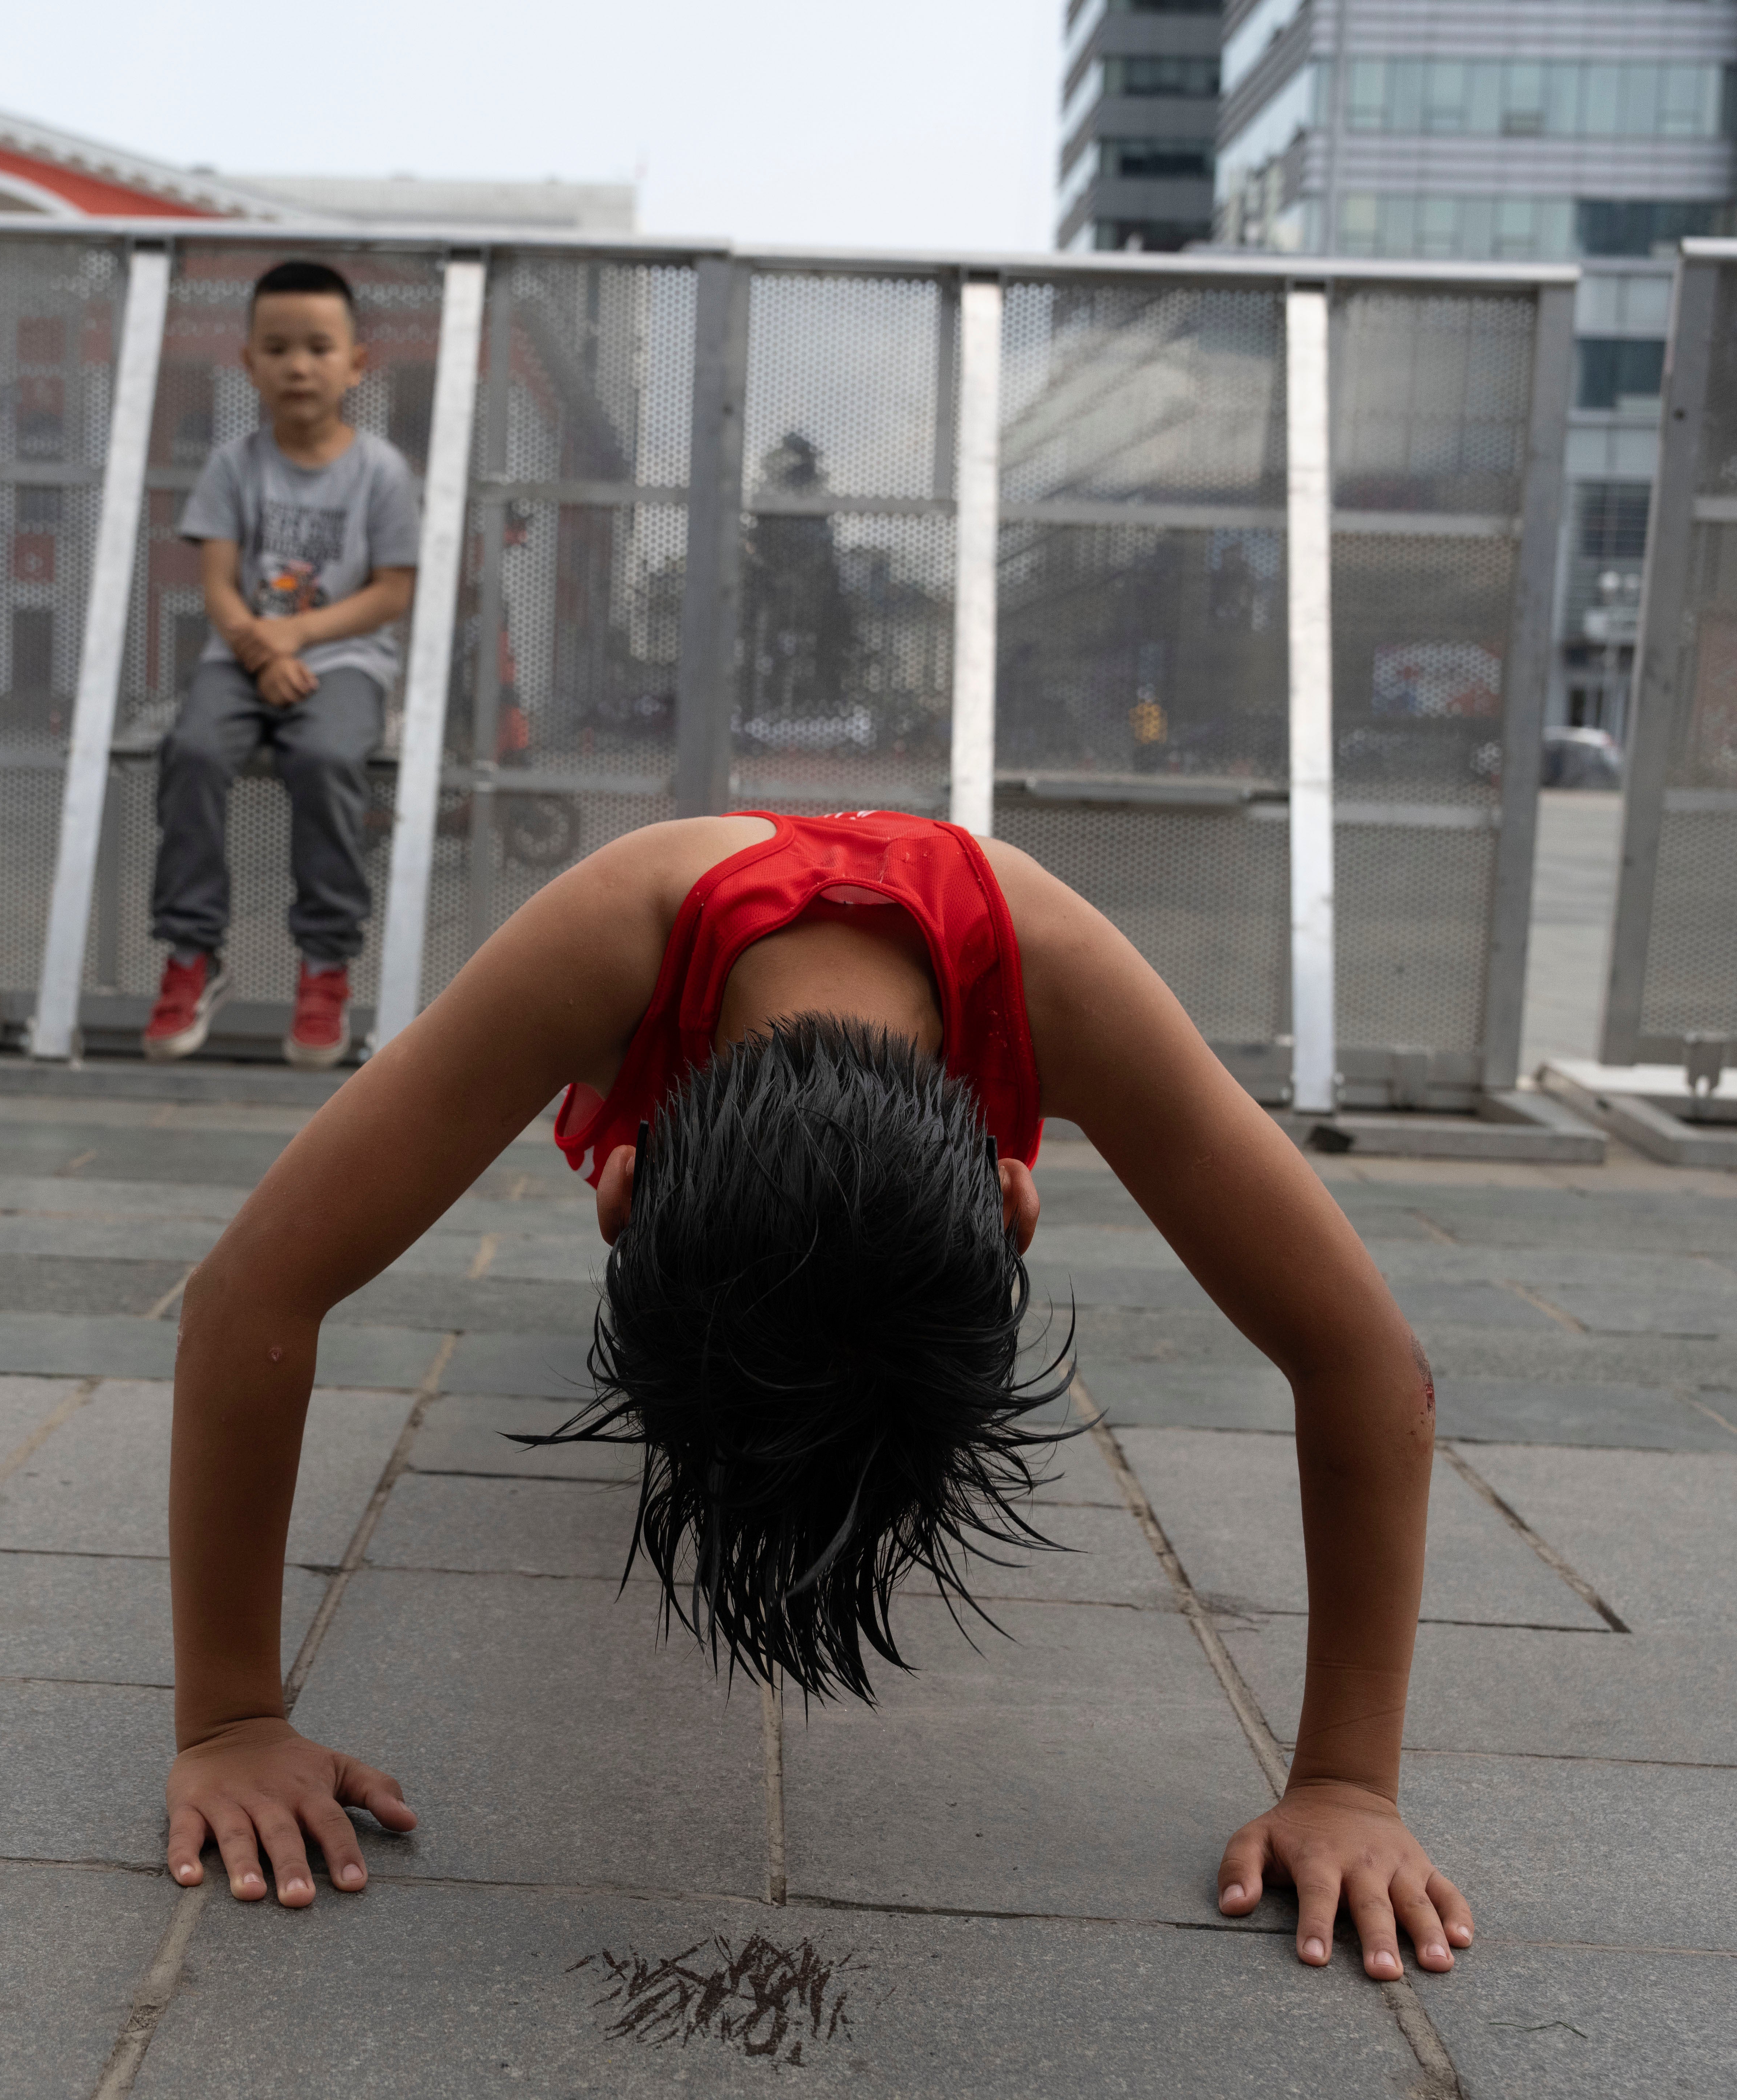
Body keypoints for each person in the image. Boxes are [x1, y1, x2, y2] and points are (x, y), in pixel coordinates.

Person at [162, 808, 1477, 1985]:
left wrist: (1350, 1782)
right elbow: (248, 1301)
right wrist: (230, 1718)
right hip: (682, 1007)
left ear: (1010, 1199)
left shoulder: (1062, 976)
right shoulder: (609, 936)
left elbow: (1366, 1368)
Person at [145, 260, 422, 1070]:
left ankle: (326, 962)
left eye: (318, 347)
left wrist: (297, 639)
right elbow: (219, 586)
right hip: (241, 656)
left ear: (355, 364)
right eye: (278, 348)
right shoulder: (235, 464)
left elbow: (391, 592)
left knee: (327, 757)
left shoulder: (381, 472)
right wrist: (261, 650)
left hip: (345, 659)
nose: (298, 365)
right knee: (193, 751)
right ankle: (194, 953)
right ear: (249, 363)